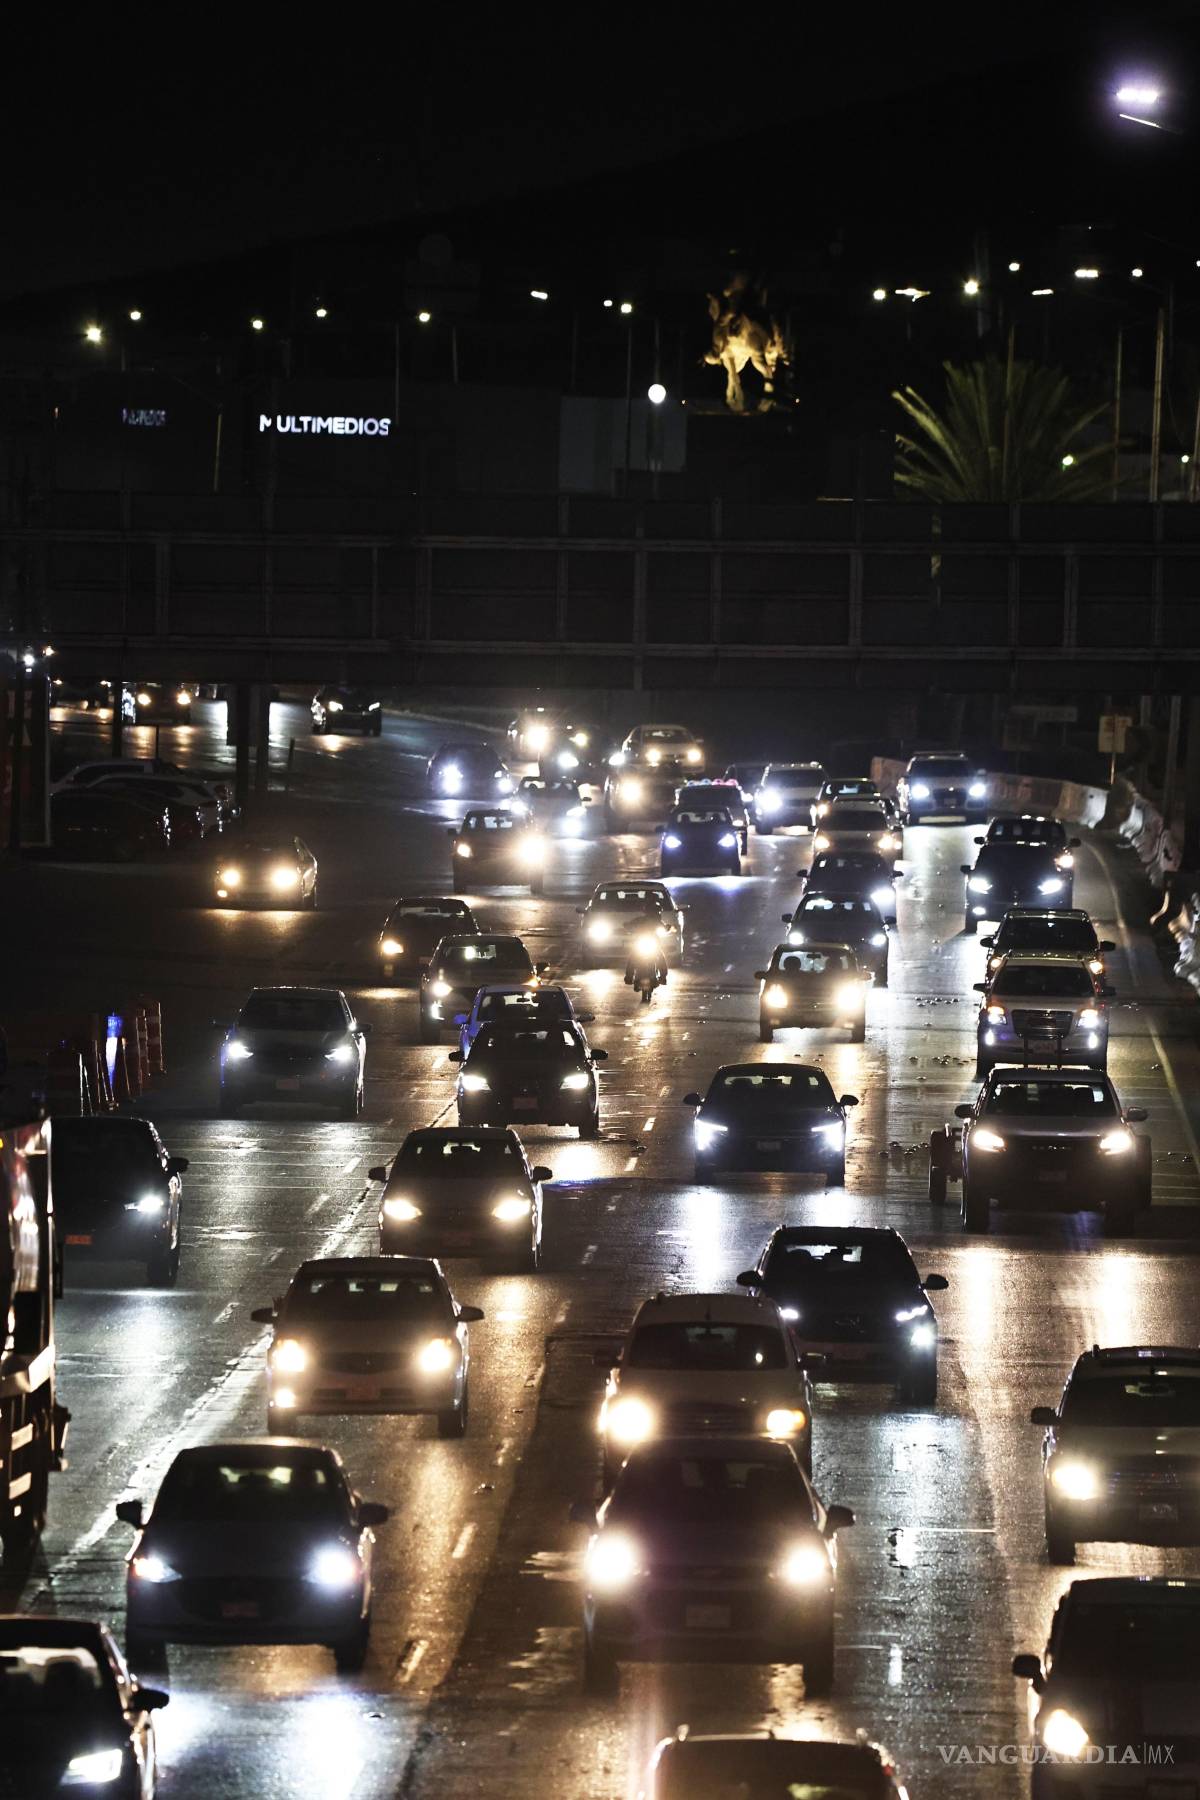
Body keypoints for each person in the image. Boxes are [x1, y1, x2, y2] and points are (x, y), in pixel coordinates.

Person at [623, 913, 669, 988]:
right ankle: (629, 977)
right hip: (640, 944)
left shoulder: (658, 922)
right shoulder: (639, 920)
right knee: (632, 957)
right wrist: (628, 926)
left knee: (661, 957)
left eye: (655, 911)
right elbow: (630, 926)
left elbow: (665, 928)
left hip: (654, 945)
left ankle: (663, 977)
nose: (653, 912)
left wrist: (667, 928)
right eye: (652, 910)